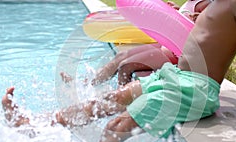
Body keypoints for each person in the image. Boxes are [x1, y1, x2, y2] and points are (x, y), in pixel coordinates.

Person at [2, 0, 236, 142]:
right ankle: (31, 124)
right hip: (175, 77)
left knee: (116, 126)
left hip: (194, 89)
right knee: (109, 99)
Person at [61, 0, 211, 86]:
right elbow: (181, 21)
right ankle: (86, 83)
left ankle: (122, 103)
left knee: (127, 65)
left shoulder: (206, 5)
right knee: (120, 57)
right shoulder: (192, 1)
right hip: (166, 45)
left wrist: (196, 19)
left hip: (176, 53)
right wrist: (176, 10)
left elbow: (208, 31)